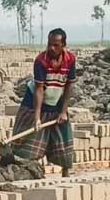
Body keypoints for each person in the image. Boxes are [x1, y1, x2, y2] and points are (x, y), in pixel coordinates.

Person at [11, 28, 77, 177]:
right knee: (30, 140)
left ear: (63, 45)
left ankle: (66, 171)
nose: (51, 48)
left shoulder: (70, 60)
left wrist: (63, 111)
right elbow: (39, 90)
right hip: (35, 101)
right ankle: (21, 167)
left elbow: (69, 86)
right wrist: (36, 118)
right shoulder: (41, 61)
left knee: (63, 136)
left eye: (55, 45)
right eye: (49, 44)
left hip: (57, 100)